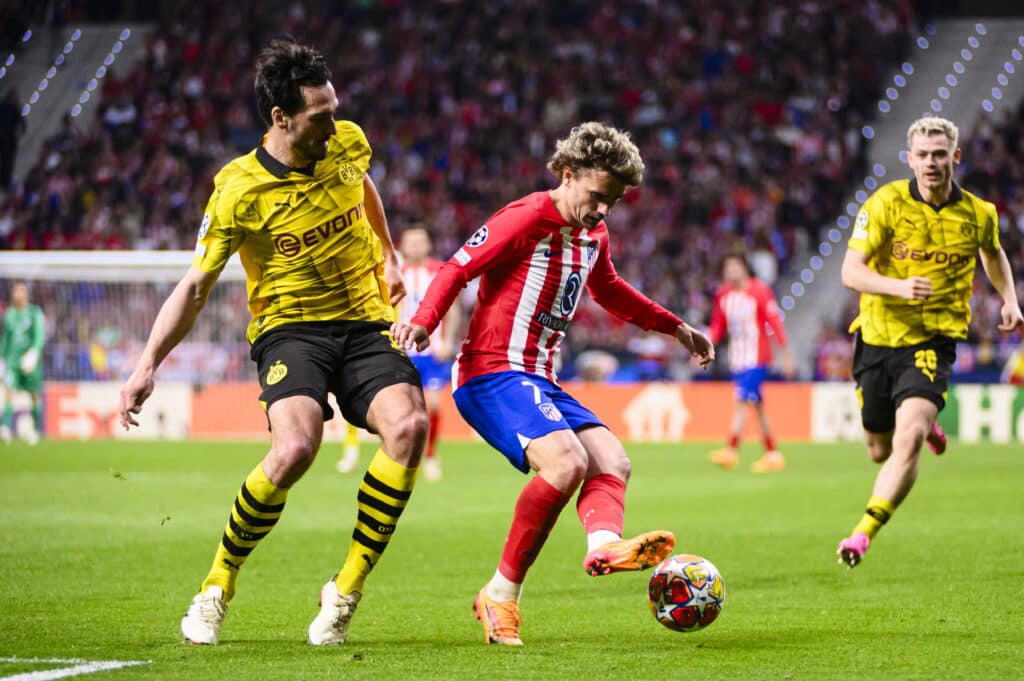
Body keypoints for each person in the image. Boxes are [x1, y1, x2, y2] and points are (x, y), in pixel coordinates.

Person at [117, 40, 429, 645]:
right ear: (281, 118)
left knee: (411, 427)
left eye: (334, 109)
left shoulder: (348, 143)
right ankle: (216, 585)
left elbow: (363, 187)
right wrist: (147, 363)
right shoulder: (237, 190)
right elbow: (196, 284)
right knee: (295, 449)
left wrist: (389, 255)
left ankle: (344, 590)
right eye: (320, 116)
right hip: (291, 329)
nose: (334, 125)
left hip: (365, 319)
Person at [392, 122, 715, 645]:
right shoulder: (524, 218)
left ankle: (603, 544)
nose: (604, 209)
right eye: (597, 196)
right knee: (567, 462)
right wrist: (424, 321)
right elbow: (455, 268)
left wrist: (675, 327)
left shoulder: (594, 232)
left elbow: (609, 290)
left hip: (538, 379)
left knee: (613, 460)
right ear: (568, 174)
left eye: (612, 201)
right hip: (491, 372)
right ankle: (500, 595)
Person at [836, 116, 1023, 568]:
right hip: (878, 336)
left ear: (955, 157)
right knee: (878, 449)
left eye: (940, 154)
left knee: (910, 437)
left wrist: (1010, 300)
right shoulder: (885, 203)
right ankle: (923, 418)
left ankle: (863, 532)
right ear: (910, 159)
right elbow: (850, 272)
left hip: (933, 340)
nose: (931, 162)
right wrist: (899, 287)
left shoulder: (979, 214)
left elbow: (992, 253)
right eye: (922, 154)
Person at [337, 226, 460, 481]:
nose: (415, 247)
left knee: (433, 404)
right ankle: (361, 452)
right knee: (386, 403)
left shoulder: (439, 270)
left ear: (428, 245)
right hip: (400, 348)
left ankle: (431, 456)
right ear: (402, 246)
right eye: (411, 242)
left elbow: (454, 307)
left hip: (431, 349)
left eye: (420, 242)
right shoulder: (393, 273)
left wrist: (448, 340)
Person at [707, 253, 795, 473]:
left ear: (745, 268)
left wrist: (785, 353)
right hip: (737, 358)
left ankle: (732, 450)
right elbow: (718, 325)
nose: (731, 272)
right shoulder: (723, 294)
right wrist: (705, 345)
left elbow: (774, 320)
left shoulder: (759, 290)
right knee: (758, 407)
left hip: (757, 357)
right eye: (727, 268)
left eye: (735, 267)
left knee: (740, 401)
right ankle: (773, 453)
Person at [1, 282, 45, 445]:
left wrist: (34, 352)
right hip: (12, 361)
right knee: (9, 393)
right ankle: (5, 429)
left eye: (21, 291)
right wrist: (2, 359)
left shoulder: (34, 313)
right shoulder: (10, 313)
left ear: (26, 294)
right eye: (15, 291)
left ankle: (35, 430)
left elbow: (39, 335)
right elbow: (6, 338)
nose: (17, 294)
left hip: (30, 362)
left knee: (34, 396)